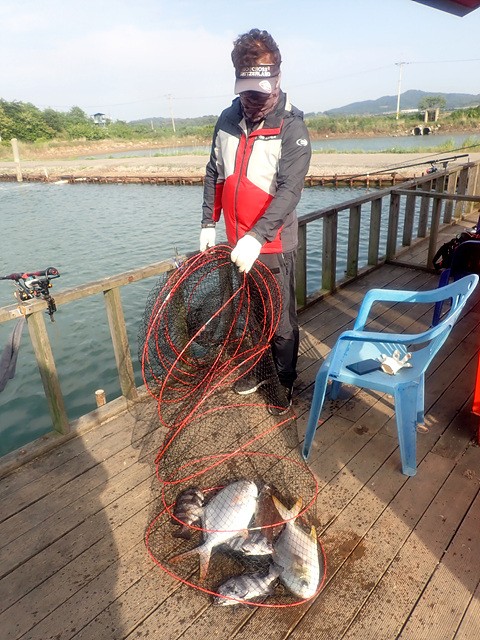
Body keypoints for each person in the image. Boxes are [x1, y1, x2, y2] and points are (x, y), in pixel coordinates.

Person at [199, 28, 311, 415]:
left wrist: (257, 237)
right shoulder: (227, 120)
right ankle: (260, 370)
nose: (253, 101)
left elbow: (290, 190)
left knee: (280, 320)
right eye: (247, 92)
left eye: (261, 92)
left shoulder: (292, 126)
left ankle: (284, 379)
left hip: (272, 244)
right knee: (250, 313)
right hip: (236, 243)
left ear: (277, 78)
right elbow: (213, 172)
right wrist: (208, 223)